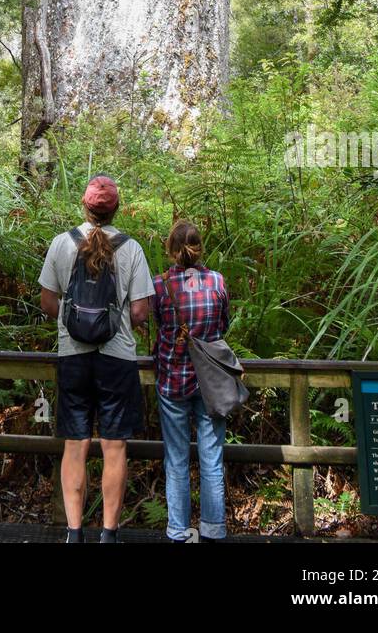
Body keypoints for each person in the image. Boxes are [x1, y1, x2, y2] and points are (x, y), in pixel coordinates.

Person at [39, 174, 155, 543]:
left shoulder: (61, 244)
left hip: (73, 356)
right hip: (116, 358)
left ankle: (74, 534)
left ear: (85, 207)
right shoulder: (131, 248)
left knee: (75, 443)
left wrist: (73, 323)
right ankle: (108, 533)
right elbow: (140, 311)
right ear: (116, 208)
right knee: (114, 445)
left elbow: (47, 302)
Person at [153, 219, 230, 543]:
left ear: (171, 251)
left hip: (173, 379)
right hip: (210, 381)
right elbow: (223, 325)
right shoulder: (216, 281)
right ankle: (213, 530)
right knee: (212, 458)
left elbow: (157, 325)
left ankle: (179, 531)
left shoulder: (160, 286)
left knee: (177, 459)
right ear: (200, 249)